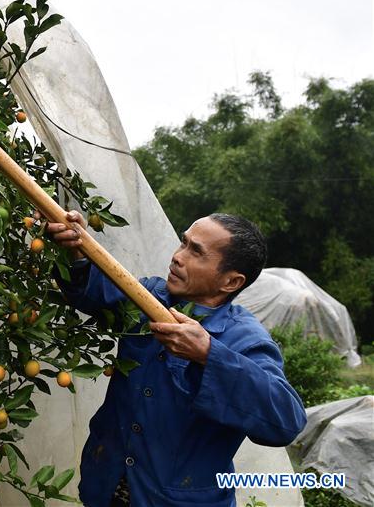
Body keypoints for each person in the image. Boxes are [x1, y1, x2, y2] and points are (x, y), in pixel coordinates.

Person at [37, 210, 307, 507]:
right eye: (183, 243)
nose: (178, 256)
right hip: (105, 487)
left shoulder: (244, 340)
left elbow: (286, 421)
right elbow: (95, 292)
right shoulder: (149, 297)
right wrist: (77, 251)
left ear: (230, 282)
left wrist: (209, 355)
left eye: (196, 252)